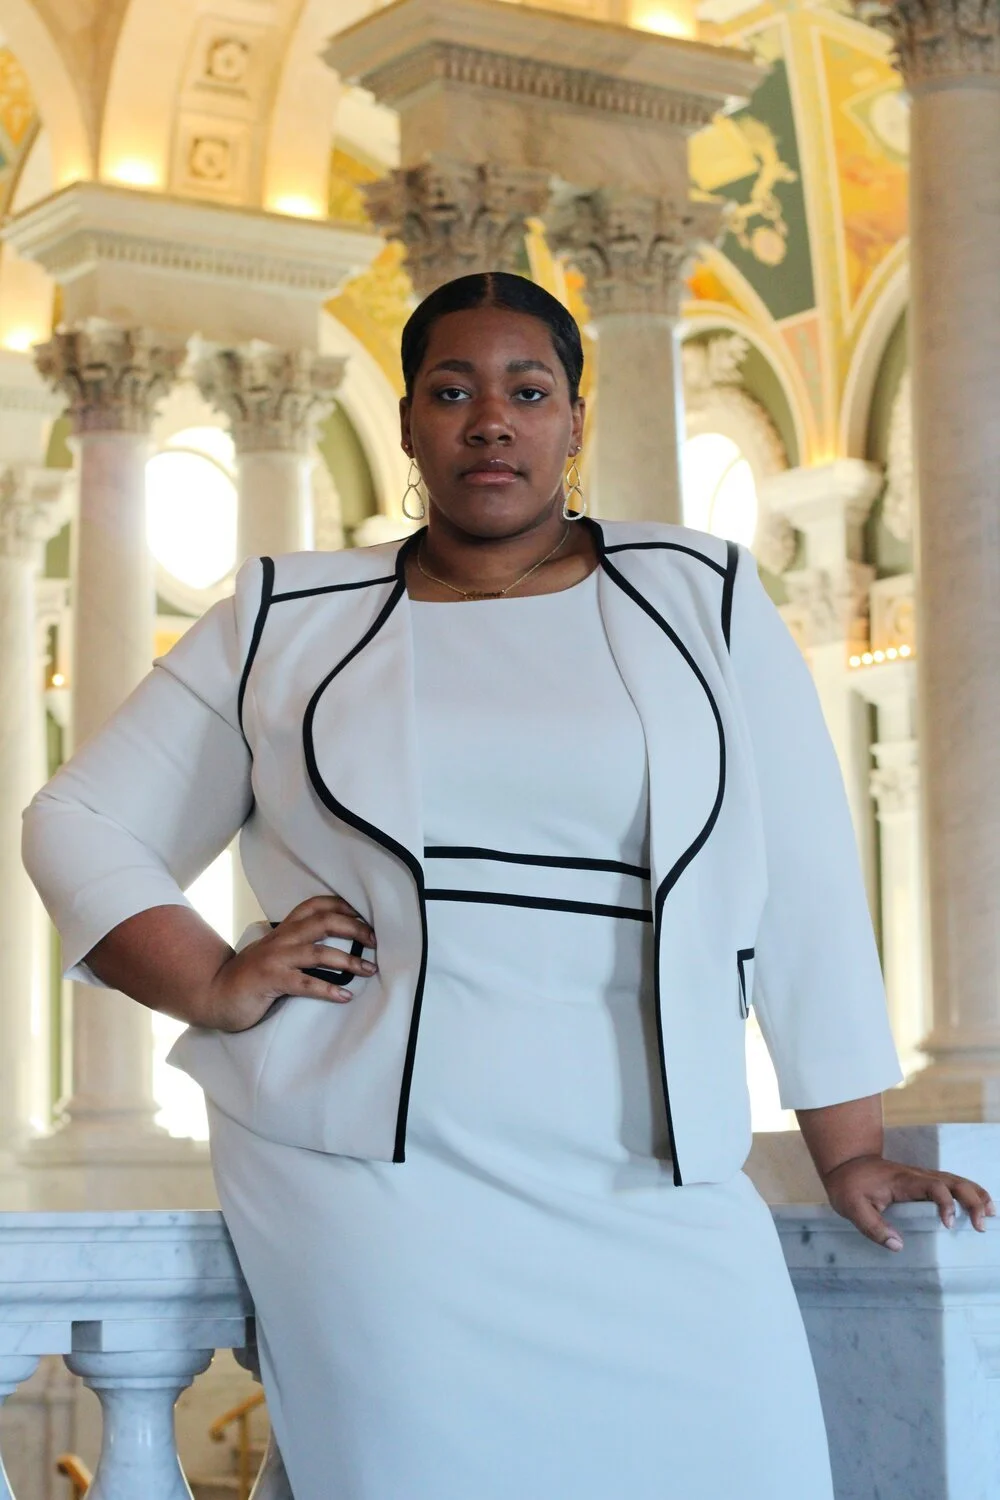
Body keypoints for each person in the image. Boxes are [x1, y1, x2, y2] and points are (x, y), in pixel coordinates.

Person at [24, 271, 993, 1500]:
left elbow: (801, 880)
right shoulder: (285, 619)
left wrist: (848, 1147)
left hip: (653, 1173)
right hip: (377, 1187)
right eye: (452, 391)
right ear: (408, 423)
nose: (491, 420)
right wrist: (210, 980)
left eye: (527, 391)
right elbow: (79, 821)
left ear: (575, 419)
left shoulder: (700, 596)